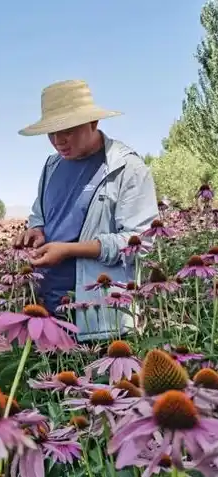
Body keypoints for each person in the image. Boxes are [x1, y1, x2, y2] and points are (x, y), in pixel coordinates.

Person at [14, 80, 159, 342]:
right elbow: (40, 214)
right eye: (51, 133)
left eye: (67, 130)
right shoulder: (52, 166)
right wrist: (35, 230)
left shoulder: (127, 168)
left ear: (94, 123)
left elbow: (141, 241)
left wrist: (70, 250)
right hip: (47, 308)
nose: (58, 141)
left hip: (100, 317)